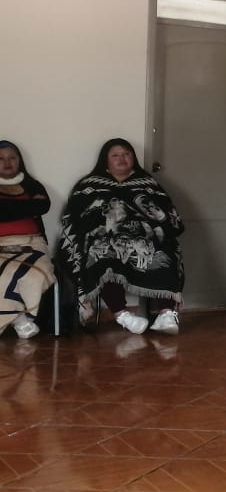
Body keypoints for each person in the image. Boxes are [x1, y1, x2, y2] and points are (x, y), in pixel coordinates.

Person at [58, 138, 185, 336]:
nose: (121, 159)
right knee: (103, 255)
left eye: (126, 154)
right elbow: (77, 217)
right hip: (105, 237)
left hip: (144, 236)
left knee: (164, 251)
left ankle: (166, 314)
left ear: (133, 157)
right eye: (115, 155)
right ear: (105, 160)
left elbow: (167, 216)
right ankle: (122, 315)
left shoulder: (149, 184)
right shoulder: (89, 185)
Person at [0, 140, 53, 343]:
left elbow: (44, 206)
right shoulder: (32, 192)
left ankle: (23, 318)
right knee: (3, 275)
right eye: (1, 158)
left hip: (33, 244)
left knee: (35, 274)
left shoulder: (31, 184)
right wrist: (29, 206)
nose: (7, 162)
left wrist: (8, 209)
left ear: (20, 161)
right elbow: (33, 207)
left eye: (12, 157)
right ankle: (20, 321)